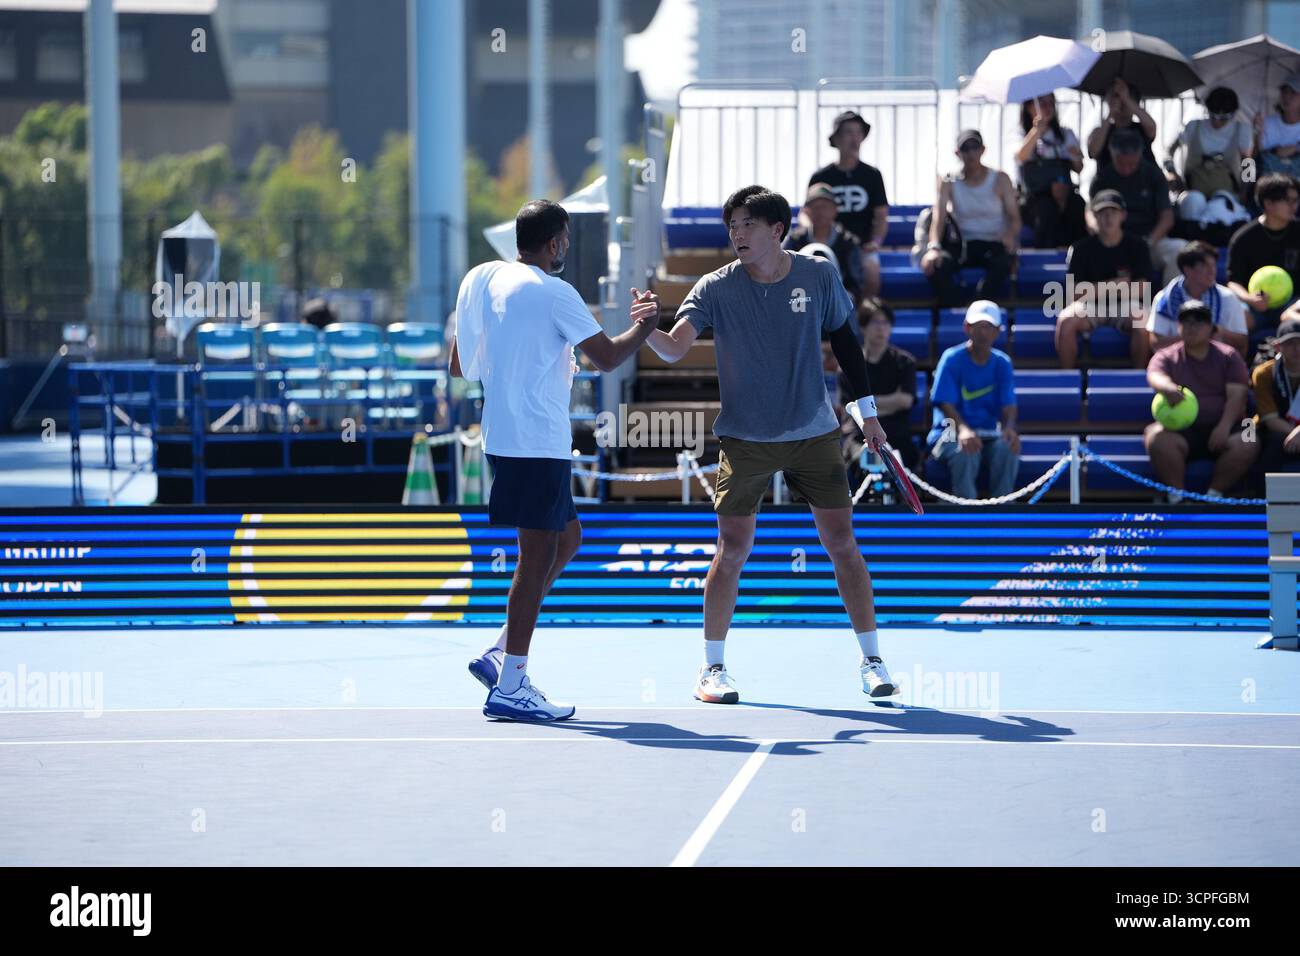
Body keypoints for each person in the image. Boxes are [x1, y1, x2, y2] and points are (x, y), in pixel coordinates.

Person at [645, 184, 901, 704]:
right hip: (745, 440)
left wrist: (868, 416)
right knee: (732, 550)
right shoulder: (715, 287)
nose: (736, 233)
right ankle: (711, 670)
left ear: (777, 230)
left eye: (747, 225)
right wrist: (647, 327)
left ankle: (872, 659)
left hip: (814, 434)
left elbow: (848, 345)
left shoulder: (819, 274)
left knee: (842, 545)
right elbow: (673, 348)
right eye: (732, 226)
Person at [451, 199, 659, 721]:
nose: (566, 247)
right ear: (556, 243)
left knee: (568, 539)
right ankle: (512, 683)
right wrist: (648, 324)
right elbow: (609, 358)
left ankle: (501, 649)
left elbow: (459, 364)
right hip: (536, 441)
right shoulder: (557, 293)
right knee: (537, 555)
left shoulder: (480, 278)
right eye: (564, 239)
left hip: (504, 435)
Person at [1145, 301, 1256, 502]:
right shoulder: (1167, 355)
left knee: (1251, 437)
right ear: (1178, 326)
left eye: (1199, 321)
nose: (1192, 327)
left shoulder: (1229, 356)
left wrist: (1224, 426)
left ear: (1211, 327)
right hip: (1181, 431)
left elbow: (1238, 395)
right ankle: (1177, 498)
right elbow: (1155, 376)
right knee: (1154, 435)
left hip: (1228, 427)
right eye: (1186, 321)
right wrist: (1169, 388)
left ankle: (1214, 496)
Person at [926, 300, 1021, 500]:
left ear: (998, 331)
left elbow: (1009, 404)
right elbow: (945, 404)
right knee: (965, 449)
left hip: (989, 434)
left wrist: (1010, 428)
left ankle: (1000, 516)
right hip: (949, 433)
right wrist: (964, 430)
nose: (983, 332)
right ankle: (967, 517)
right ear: (967, 328)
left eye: (989, 327)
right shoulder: (951, 358)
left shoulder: (1003, 363)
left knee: (1007, 448)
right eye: (978, 326)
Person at [921, 129, 1021, 306]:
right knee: (936, 265)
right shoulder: (948, 181)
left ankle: (977, 308)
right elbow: (939, 217)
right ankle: (958, 309)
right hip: (962, 245)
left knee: (1004, 263)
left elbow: (1014, 218)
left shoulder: (1000, 178)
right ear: (957, 153)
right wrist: (933, 247)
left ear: (983, 150)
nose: (971, 153)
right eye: (965, 148)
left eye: (975, 147)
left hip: (994, 243)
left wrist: (1010, 234)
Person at [1055, 189, 1153, 369]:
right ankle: (1067, 378)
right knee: (1066, 320)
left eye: (1113, 212)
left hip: (1126, 305)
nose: (1108, 218)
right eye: (1102, 213)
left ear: (1123, 215)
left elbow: (1141, 289)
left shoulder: (1138, 245)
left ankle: (1139, 381)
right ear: (1094, 216)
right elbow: (1075, 293)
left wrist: (1093, 289)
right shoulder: (1080, 248)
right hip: (1092, 307)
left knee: (1142, 320)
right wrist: (1117, 284)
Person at [808, 110, 889, 298]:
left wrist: (875, 243)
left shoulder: (872, 175)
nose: (854, 138)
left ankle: (862, 320)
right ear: (836, 139)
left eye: (858, 133)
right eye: (848, 132)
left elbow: (881, 217)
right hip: (827, 243)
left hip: (862, 246)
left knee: (871, 273)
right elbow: (806, 212)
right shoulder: (821, 177)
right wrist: (812, 233)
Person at [1089, 126, 1183, 285]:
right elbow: (1090, 213)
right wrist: (1104, 235)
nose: (1126, 169)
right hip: (1114, 241)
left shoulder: (1153, 175)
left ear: (1140, 155)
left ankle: (1169, 302)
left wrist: (1148, 242)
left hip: (1150, 239)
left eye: (1131, 164)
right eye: (1121, 164)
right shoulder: (1102, 178)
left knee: (1179, 250)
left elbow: (1167, 217)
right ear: (1112, 155)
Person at [839, 298, 919, 472]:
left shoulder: (904, 362)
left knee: (906, 457)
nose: (881, 328)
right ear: (863, 326)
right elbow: (849, 409)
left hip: (896, 434)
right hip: (858, 435)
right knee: (857, 461)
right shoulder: (848, 364)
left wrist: (865, 406)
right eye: (875, 322)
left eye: (885, 323)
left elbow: (905, 401)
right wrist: (891, 402)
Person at [1226, 173, 1300, 355]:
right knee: (1236, 321)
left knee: (1294, 318)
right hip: (1254, 305)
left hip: (1294, 303)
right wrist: (1250, 299)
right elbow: (1233, 281)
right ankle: (1237, 374)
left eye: (1296, 200)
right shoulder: (1243, 238)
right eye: (1288, 201)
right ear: (1268, 204)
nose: (1294, 206)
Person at [1147, 241, 1249, 358]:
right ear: (1187, 270)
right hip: (1176, 369)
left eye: (1213, 265)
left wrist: (1220, 332)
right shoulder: (1164, 299)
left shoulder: (1228, 297)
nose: (1212, 271)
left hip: (1217, 370)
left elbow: (1242, 344)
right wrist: (1193, 337)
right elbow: (1156, 344)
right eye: (1204, 266)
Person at [1166, 87, 1254, 215]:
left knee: (1220, 207)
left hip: (1227, 192)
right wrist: (1172, 172)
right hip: (1193, 188)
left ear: (1233, 114)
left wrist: (1245, 191)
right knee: (1192, 203)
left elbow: (1248, 162)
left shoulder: (1242, 130)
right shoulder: (1193, 126)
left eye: (1223, 118)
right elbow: (1169, 151)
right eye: (1213, 116)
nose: (1217, 122)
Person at [1015, 93, 1086, 248]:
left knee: (1077, 206)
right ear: (1029, 107)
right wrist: (1036, 131)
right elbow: (1020, 157)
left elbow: (1078, 168)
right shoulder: (1020, 134)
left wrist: (1075, 157)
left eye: (1050, 103)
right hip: (1036, 198)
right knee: (1046, 210)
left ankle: (1074, 263)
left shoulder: (1065, 134)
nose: (1047, 108)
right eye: (1042, 104)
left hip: (1064, 193)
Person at [785, 182, 866, 305]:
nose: (820, 212)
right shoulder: (795, 240)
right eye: (815, 207)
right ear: (807, 211)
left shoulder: (848, 243)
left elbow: (855, 285)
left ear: (835, 210)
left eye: (824, 206)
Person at [1250, 319, 1300, 475]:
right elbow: (1270, 421)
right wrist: (1295, 434)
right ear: (1278, 347)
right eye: (1290, 343)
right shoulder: (1263, 373)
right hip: (1265, 428)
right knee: (1267, 440)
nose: (1297, 349)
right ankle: (1261, 495)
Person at [1087, 77, 1159, 174]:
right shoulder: (1101, 131)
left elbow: (1152, 128)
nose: (1122, 105)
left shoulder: (1141, 128)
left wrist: (1126, 99)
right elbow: (1093, 151)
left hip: (1143, 183)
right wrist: (1110, 114)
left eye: (1126, 102)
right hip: (1110, 184)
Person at [1254, 73, 1300, 179]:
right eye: (1284, 91)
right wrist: (1256, 133)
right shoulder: (1266, 123)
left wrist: (1295, 148)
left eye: (1293, 93)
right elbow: (1252, 159)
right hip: (1269, 184)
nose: (1287, 97)